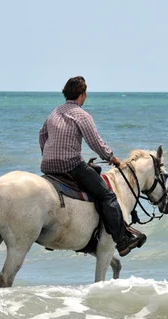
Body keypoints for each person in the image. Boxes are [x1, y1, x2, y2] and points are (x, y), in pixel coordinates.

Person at [39, 76, 145, 256]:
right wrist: (112, 158)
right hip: (70, 165)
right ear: (82, 94)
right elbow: (94, 142)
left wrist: (48, 155)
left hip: (48, 166)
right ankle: (122, 241)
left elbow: (42, 136)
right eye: (85, 93)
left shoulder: (54, 113)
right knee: (107, 196)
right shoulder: (82, 115)